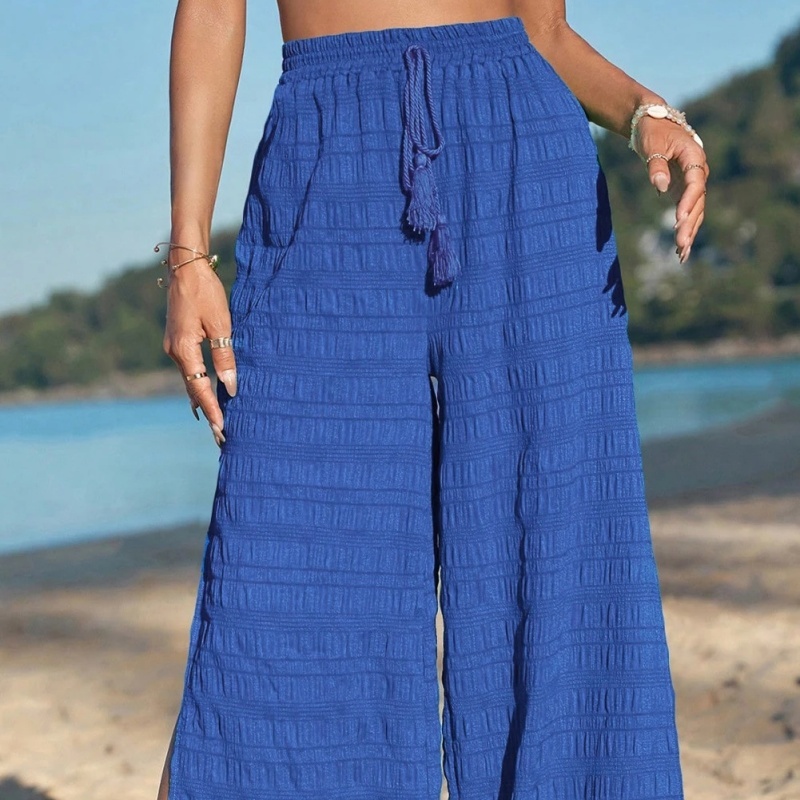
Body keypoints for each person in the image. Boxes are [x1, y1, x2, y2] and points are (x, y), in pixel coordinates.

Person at [156, 1, 708, 798]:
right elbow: (212, 9)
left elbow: (544, 31)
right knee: (282, 561)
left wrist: (644, 114)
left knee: (561, 545)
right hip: (325, 155)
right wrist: (187, 253)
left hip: (524, 165)